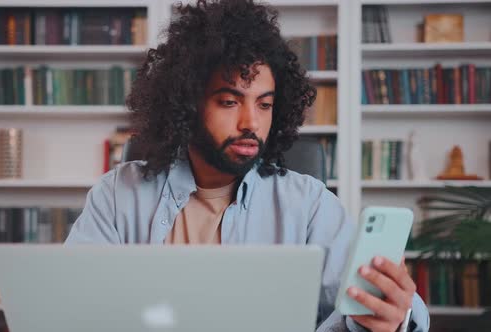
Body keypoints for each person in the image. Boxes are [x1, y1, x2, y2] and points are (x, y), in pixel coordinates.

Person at [65, 0, 429, 331]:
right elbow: (70, 305)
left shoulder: (308, 204)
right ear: (188, 104)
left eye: (264, 105)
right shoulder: (118, 194)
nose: (251, 123)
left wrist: (394, 315)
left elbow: (400, 309)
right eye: (229, 101)